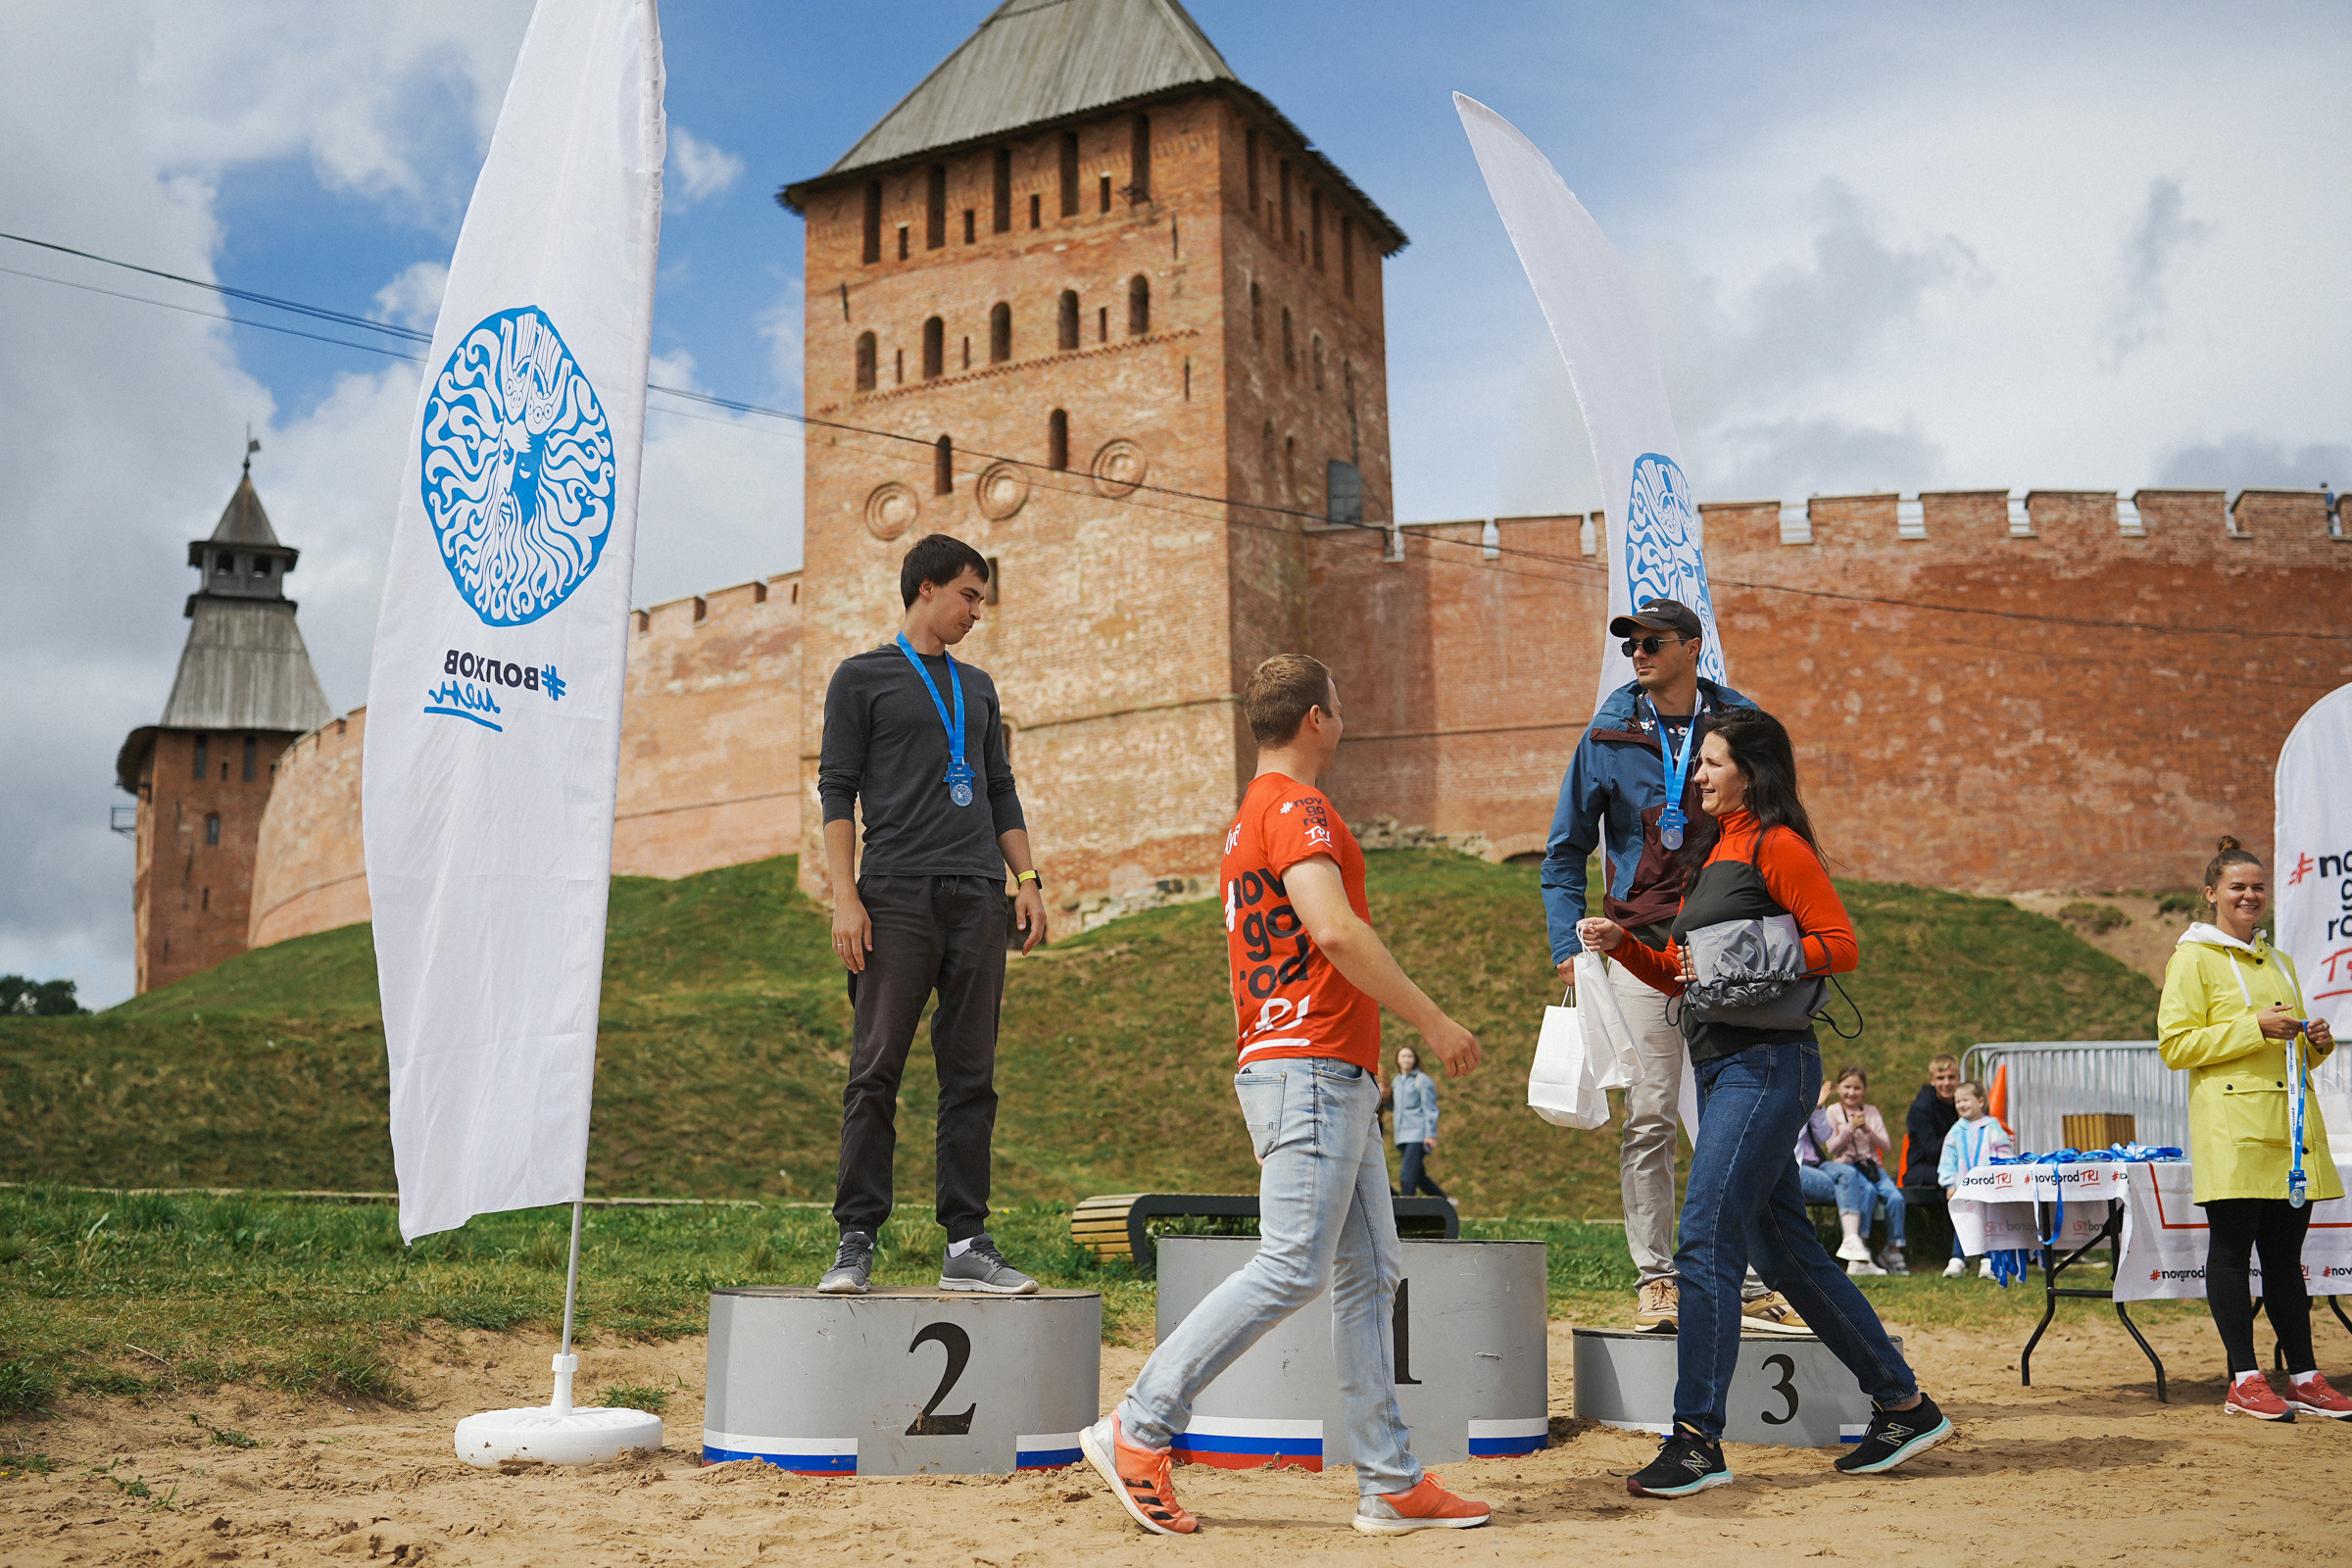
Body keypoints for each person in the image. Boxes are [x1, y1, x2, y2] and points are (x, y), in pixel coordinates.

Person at [1081, 654, 1492, 1536]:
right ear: (1316, 718)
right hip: (1307, 1066)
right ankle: (1138, 1427)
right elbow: (1336, 931)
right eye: (1339, 707)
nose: (1344, 720)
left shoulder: (1245, 819)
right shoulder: (1299, 808)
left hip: (1316, 1068)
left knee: (1369, 1272)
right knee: (1292, 1264)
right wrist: (1437, 1022)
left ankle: (1389, 1480)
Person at [1577, 708, 1951, 1493]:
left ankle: (1695, 1443)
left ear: (1751, 769)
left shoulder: (1777, 845)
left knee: (1706, 1238)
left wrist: (1754, 952)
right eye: (1699, 763)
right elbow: (1692, 975)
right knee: (1782, 1251)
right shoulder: (1720, 853)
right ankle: (1904, 1404)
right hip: (1721, 1069)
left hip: (1767, 1066)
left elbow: (1838, 943)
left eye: (1711, 762)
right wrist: (1633, 951)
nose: (1698, 775)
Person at [1541, 596, 1805, 1336]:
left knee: (1741, 1114)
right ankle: (1657, 1279)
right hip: (1637, 945)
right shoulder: (1609, 730)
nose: (1638, 654)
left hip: (1727, 946)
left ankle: (1752, 1280)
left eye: (1653, 641)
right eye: (1631, 644)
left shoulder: (1742, 724)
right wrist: (1568, 942)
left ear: (1693, 645)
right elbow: (1563, 852)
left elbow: (1778, 827)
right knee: (1652, 1115)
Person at [814, 535, 1051, 1297]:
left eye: (979, 599)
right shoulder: (861, 679)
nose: (977, 612)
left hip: (978, 896)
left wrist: (1027, 878)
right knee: (876, 1068)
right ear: (925, 590)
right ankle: (855, 1239)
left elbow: (1000, 788)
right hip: (895, 895)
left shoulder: (979, 688)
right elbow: (837, 792)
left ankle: (967, 1243)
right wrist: (845, 896)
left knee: (972, 1074)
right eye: (969, 596)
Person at [2157, 836, 2352, 1420]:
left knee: (2286, 1258)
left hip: (2290, 1132)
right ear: (2211, 893)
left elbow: (2281, 1044)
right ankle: (2244, 1376)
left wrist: (2317, 1046)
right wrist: (2253, 1026)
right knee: (2232, 1252)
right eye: (2237, 887)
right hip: (2232, 1131)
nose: (2249, 895)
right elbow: (2175, 1046)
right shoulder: (2191, 959)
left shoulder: (2280, 961)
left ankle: (2305, 1374)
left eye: (2257, 887)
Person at [1822, 1066, 1908, 1276]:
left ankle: (1893, 1250)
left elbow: (1886, 1146)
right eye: (1847, 1087)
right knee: (1867, 1193)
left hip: (1872, 1167)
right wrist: (1849, 1128)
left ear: (1864, 1090)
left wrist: (1867, 1130)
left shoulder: (1871, 1111)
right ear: (1839, 1088)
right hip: (1847, 1167)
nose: (1851, 1093)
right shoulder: (1833, 1111)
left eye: (1857, 1088)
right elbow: (1831, 1148)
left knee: (1896, 1198)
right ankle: (1861, 1250)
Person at [1936, 1079, 2012, 1278]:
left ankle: (1989, 1260)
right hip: (1963, 1187)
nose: (1961, 1105)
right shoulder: (1955, 1131)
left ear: (1980, 1101)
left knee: (1989, 1221)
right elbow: (1947, 1159)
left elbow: (2005, 1151)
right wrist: (1949, 1184)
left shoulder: (1992, 1127)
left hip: (1988, 1186)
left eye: (1965, 1100)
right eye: (1957, 1102)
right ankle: (1957, 1259)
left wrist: (2000, 1174)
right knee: (1963, 1220)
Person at [1393, 1045, 1446, 1199]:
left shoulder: (1421, 1080)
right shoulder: (1396, 1081)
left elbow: (1430, 1108)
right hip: (1401, 1135)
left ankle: (1406, 1216)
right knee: (1419, 1177)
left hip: (1417, 1134)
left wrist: (1431, 1134)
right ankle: (1446, 1203)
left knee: (1407, 1176)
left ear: (1415, 1060)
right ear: (1397, 1060)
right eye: (1403, 1056)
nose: (1406, 1060)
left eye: (1409, 1056)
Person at [1903, 1054, 1962, 1189]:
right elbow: (1931, 1151)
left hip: (1954, 1162)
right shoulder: (1921, 1108)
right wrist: (1960, 1131)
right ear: (1932, 1080)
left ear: (1959, 1078)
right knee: (1963, 1175)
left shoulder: (1964, 1102)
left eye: (1951, 1077)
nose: (1946, 1083)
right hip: (1923, 1168)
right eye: (1940, 1078)